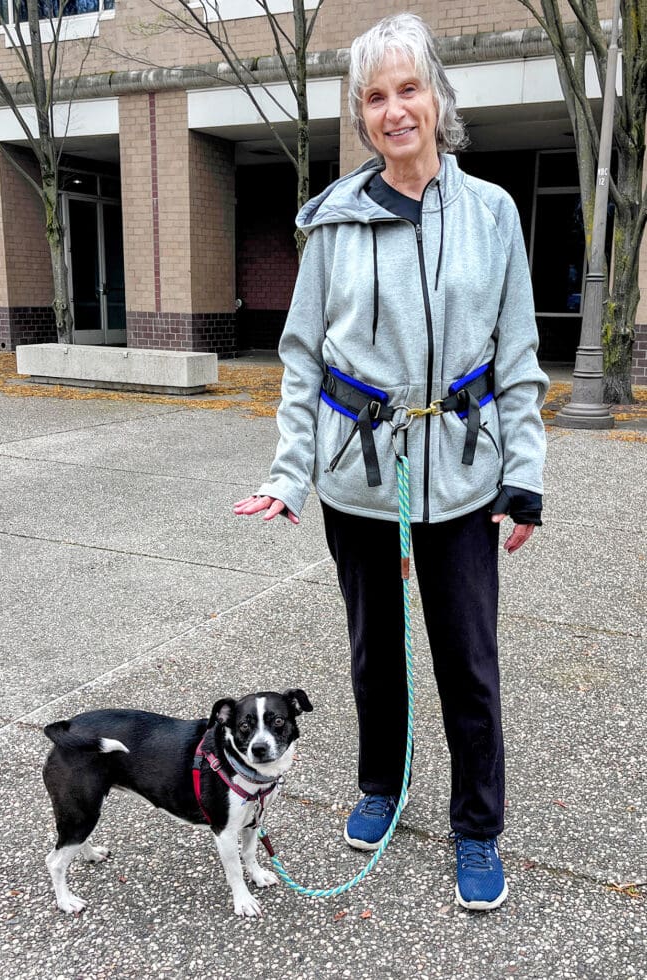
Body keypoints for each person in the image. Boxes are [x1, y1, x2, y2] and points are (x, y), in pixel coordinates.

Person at [234, 12, 548, 912]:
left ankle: (478, 826)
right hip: (361, 476)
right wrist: (290, 473)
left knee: (467, 660)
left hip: (461, 473)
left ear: (438, 97)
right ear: (363, 116)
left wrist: (524, 479)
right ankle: (382, 784)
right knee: (376, 653)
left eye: (408, 88)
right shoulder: (334, 223)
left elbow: (520, 362)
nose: (394, 109)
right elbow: (302, 359)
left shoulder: (492, 213)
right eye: (375, 96)